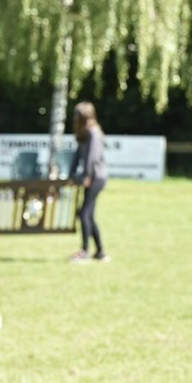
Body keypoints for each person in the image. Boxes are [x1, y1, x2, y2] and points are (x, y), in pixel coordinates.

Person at [68, 101, 109, 263]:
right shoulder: (84, 133)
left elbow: (92, 157)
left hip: (96, 177)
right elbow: (78, 155)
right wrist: (71, 174)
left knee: (84, 213)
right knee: (89, 215)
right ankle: (100, 252)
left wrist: (86, 176)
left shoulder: (94, 133)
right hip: (91, 176)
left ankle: (85, 251)